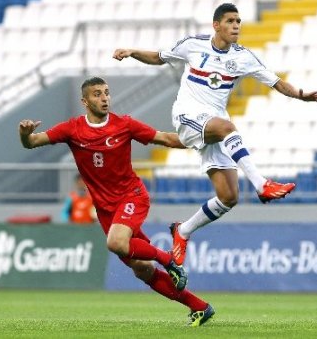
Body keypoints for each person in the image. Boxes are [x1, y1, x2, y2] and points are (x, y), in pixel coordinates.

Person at [112, 3, 317, 266]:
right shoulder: (194, 44)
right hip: (187, 115)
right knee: (227, 127)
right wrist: (133, 51)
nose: (236, 25)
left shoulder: (243, 57)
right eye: (230, 21)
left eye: (238, 21)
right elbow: (159, 56)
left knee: (228, 197)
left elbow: (277, 82)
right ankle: (262, 184)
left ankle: (182, 231)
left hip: (213, 123)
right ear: (216, 25)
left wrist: (300, 95)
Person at [18, 76, 214, 327]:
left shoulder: (125, 125)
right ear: (85, 101)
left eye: (107, 93)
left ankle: (170, 260)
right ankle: (199, 307)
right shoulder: (72, 129)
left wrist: (202, 139)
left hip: (132, 196)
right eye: (97, 94)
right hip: (105, 210)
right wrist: (24, 134)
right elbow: (32, 142)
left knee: (116, 242)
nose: (104, 98)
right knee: (142, 269)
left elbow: (165, 139)